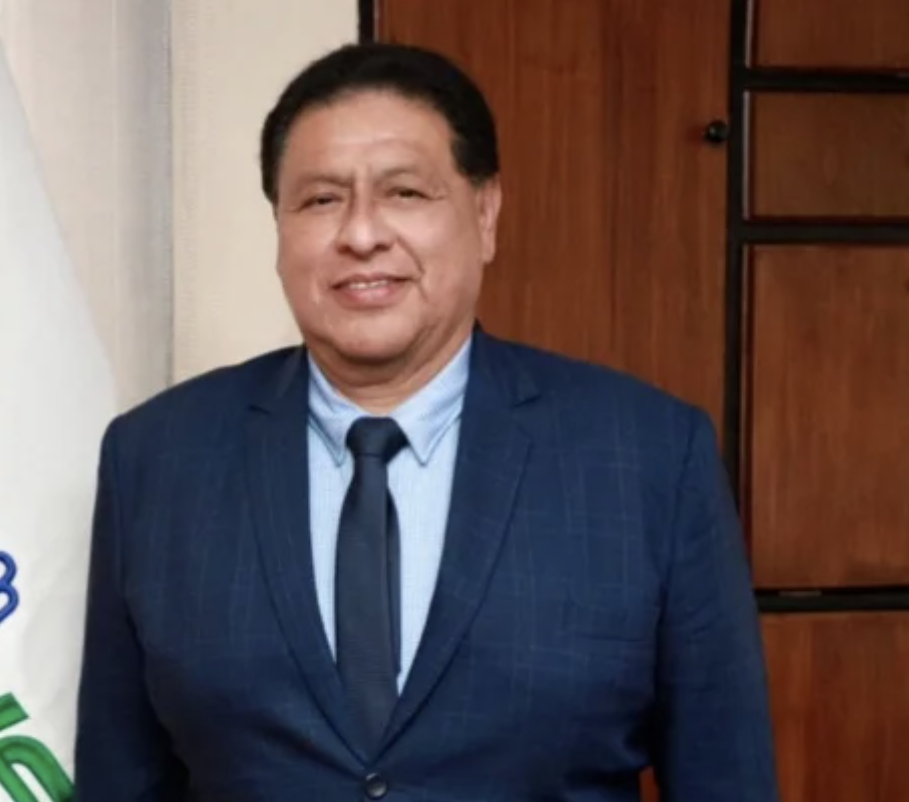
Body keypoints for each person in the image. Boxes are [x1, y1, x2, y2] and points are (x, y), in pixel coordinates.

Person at [72, 42, 777, 801]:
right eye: (320, 200)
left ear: (485, 213)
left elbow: (725, 780)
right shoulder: (157, 460)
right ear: (279, 228)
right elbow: (120, 778)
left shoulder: (648, 458)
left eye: (405, 192)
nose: (361, 234)